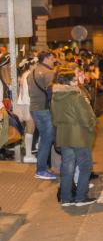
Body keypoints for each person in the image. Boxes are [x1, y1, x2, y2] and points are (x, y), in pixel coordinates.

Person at [51, 64, 97, 207]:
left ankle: (66, 198)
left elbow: (54, 118)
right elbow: (87, 117)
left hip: (63, 135)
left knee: (67, 167)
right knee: (85, 166)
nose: (76, 81)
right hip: (79, 135)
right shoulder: (76, 96)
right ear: (70, 82)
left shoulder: (55, 97)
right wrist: (92, 125)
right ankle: (80, 197)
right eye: (74, 79)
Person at [29, 50, 57, 180]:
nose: (54, 61)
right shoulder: (49, 73)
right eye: (52, 59)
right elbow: (52, 92)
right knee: (47, 139)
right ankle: (41, 170)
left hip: (34, 108)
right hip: (44, 109)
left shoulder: (32, 71)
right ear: (46, 59)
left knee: (44, 139)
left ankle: (42, 168)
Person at [15, 57, 38, 163]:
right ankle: (28, 155)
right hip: (28, 104)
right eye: (36, 64)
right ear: (31, 65)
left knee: (30, 129)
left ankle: (29, 153)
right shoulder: (29, 75)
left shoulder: (25, 74)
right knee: (30, 129)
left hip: (25, 104)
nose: (37, 66)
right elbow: (28, 93)